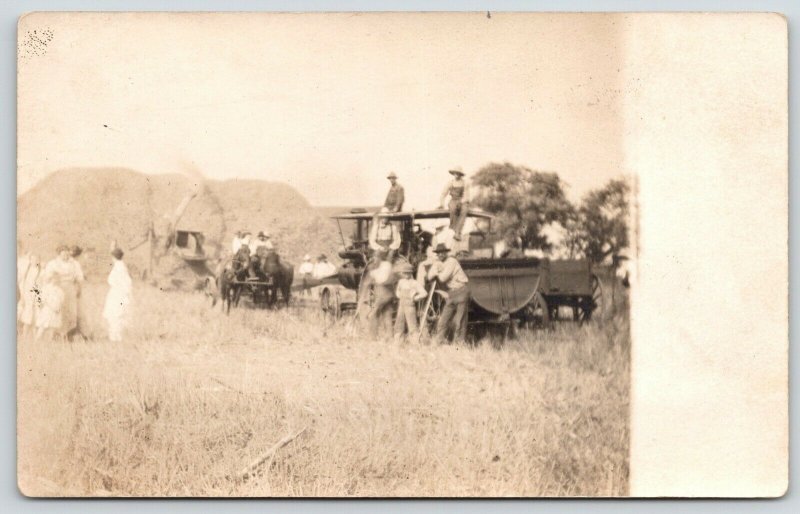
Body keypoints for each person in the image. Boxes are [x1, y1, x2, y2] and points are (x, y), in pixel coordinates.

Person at [427, 243, 470, 343]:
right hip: (451, 293)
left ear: (446, 253)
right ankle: (439, 342)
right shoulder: (438, 262)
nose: (440, 255)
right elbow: (429, 276)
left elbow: (443, 278)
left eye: (442, 253)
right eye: (438, 253)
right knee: (443, 320)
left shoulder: (452, 261)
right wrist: (437, 268)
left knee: (459, 321)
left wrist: (437, 271)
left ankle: (459, 345)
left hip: (461, 291)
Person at [42, 245, 82, 339]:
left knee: (71, 311)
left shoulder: (74, 263)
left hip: (70, 288)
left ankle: (68, 334)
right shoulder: (53, 263)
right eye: (63, 254)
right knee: (58, 311)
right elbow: (47, 277)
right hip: (58, 289)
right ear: (59, 254)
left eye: (67, 254)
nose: (65, 256)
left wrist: (79, 288)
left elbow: (79, 277)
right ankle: (56, 334)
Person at [103, 248, 133, 342]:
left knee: (116, 314)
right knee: (116, 314)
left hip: (118, 293)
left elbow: (122, 281)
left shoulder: (119, 267)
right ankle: (115, 335)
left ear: (113, 257)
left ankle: (116, 336)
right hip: (118, 292)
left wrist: (124, 293)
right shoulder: (120, 266)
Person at [393, 262, 427, 340]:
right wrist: (399, 295)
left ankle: (415, 342)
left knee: (412, 325)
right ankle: (398, 342)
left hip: (410, 306)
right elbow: (398, 291)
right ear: (402, 273)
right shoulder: (401, 282)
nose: (406, 275)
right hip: (401, 305)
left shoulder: (414, 283)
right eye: (404, 273)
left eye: (408, 273)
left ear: (411, 273)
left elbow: (424, 293)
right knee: (399, 323)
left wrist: (415, 298)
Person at [438, 166, 471, 240]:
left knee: (464, 211)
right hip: (453, 200)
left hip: (463, 200)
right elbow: (443, 194)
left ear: (460, 174)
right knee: (452, 209)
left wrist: (462, 202)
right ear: (453, 174)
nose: (456, 175)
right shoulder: (450, 183)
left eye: (458, 173)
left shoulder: (465, 183)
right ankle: (453, 229)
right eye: (455, 173)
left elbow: (466, 195)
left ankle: (458, 232)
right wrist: (441, 203)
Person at [35, 272, 65, 341]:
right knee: (42, 326)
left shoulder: (60, 290)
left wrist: (58, 308)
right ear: (51, 279)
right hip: (48, 309)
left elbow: (62, 300)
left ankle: (48, 342)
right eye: (54, 279)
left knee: (52, 327)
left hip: (56, 310)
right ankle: (36, 341)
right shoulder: (46, 288)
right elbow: (43, 299)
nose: (56, 281)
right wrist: (52, 307)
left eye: (57, 279)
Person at [17, 253, 41, 338]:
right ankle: (24, 334)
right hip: (27, 293)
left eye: (36, 259)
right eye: (32, 259)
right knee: (28, 312)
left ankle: (34, 336)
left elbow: (41, 284)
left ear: (39, 260)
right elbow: (22, 284)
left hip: (37, 293)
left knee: (37, 313)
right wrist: (23, 296)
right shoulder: (27, 271)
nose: (34, 261)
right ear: (30, 261)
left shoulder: (41, 270)